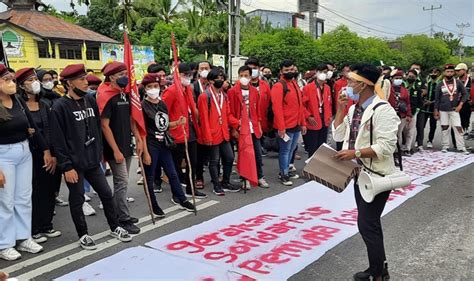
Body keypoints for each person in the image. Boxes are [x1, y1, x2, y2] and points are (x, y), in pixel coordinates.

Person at [50, 64, 132, 250]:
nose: (86, 83)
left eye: (86, 79)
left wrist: (99, 154)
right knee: (77, 199)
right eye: (82, 80)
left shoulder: (90, 100)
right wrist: (67, 167)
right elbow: (58, 140)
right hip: (74, 163)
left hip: (93, 160)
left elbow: (96, 128)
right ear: (69, 83)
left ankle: (115, 227)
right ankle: (83, 234)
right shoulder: (59, 107)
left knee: (106, 194)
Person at [333, 63, 399, 281]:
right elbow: (338, 135)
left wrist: (355, 153)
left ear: (362, 85)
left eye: (350, 81)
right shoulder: (353, 109)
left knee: (366, 224)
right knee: (371, 223)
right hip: (358, 176)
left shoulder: (383, 110)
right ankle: (379, 268)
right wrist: (341, 108)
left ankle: (377, 275)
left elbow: (386, 147)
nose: (347, 85)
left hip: (376, 177)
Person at [0, 64, 50, 261]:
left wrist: (45, 149)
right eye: (6, 79)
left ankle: (23, 237)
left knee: (23, 197)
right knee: (5, 201)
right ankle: (5, 244)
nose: (12, 82)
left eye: (11, 79)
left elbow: (33, 127)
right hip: (3, 155)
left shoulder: (18, 100)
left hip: (23, 152)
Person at [15, 67, 62, 244]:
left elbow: (50, 129)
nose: (35, 83)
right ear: (21, 85)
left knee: (49, 188)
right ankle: (33, 228)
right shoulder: (18, 105)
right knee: (33, 191)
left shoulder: (44, 104)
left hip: (49, 152)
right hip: (30, 154)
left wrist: (52, 152)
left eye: (36, 79)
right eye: (30, 80)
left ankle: (46, 225)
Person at [96, 61, 142, 235]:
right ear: (112, 77)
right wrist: (115, 150)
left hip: (126, 144)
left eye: (126, 73)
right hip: (114, 147)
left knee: (122, 182)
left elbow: (131, 118)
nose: (125, 77)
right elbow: (104, 125)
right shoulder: (105, 95)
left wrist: (137, 137)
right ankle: (122, 219)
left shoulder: (124, 94)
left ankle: (118, 213)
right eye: (121, 74)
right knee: (122, 182)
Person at [141, 73, 196, 217]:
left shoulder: (161, 104)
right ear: (145, 89)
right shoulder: (142, 106)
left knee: (172, 173)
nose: (153, 89)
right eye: (150, 87)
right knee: (150, 177)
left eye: (155, 86)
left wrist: (177, 123)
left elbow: (164, 125)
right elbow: (141, 131)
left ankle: (181, 199)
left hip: (164, 143)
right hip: (151, 144)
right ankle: (153, 205)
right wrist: (145, 151)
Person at [161, 63, 207, 199]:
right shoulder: (171, 91)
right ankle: (176, 194)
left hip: (190, 130)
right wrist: (172, 126)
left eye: (190, 74)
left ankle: (190, 188)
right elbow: (164, 112)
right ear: (177, 75)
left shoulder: (188, 89)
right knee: (175, 166)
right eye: (184, 74)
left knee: (192, 162)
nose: (188, 77)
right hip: (176, 132)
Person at [198, 68, 241, 195]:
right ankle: (216, 185)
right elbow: (204, 118)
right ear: (211, 80)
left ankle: (225, 182)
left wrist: (238, 123)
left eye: (222, 78)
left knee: (229, 158)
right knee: (214, 161)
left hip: (223, 133)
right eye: (218, 78)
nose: (221, 80)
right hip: (212, 133)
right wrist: (207, 136)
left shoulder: (224, 95)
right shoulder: (204, 96)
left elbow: (228, 115)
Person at [228, 65, 269, 188]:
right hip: (241, 127)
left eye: (246, 76)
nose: (243, 78)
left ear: (251, 77)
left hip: (253, 126)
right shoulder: (232, 91)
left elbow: (257, 112)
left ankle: (259, 176)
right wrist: (234, 127)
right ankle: (244, 178)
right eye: (241, 76)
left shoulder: (254, 91)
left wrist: (260, 126)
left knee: (257, 153)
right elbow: (229, 111)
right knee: (243, 154)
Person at [271, 59, 307, 186]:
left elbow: (300, 105)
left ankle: (287, 169)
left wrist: (303, 123)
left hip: (296, 124)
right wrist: (281, 127)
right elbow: (277, 108)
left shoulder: (295, 84)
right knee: (285, 150)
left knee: (291, 149)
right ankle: (283, 173)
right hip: (286, 126)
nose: (290, 72)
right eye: (287, 70)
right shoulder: (279, 86)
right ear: (281, 71)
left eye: (292, 69)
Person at [36, 69, 68, 207]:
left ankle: (54, 196)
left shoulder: (56, 97)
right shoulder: (40, 100)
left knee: (56, 174)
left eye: (51, 79)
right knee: (46, 175)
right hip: (44, 143)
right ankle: (47, 202)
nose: (49, 82)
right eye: (45, 80)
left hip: (58, 141)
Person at [434, 64, 469, 154]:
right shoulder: (440, 84)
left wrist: (460, 105)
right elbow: (437, 99)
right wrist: (436, 110)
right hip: (443, 109)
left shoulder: (458, 82)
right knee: (444, 128)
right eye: (447, 72)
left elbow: (465, 94)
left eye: (451, 72)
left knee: (458, 127)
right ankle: (445, 146)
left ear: (454, 72)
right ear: (444, 72)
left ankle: (461, 147)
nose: (449, 73)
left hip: (454, 109)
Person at [302, 64, 333, 157]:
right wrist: (308, 116)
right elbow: (302, 105)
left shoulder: (327, 88)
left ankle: (318, 168)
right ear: (316, 73)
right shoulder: (308, 87)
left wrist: (330, 115)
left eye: (325, 72)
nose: (323, 74)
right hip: (313, 120)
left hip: (324, 120)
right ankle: (310, 167)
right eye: (321, 72)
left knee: (321, 146)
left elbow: (329, 103)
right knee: (312, 147)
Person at [193, 61, 212, 189]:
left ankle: (216, 176)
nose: (204, 70)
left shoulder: (214, 84)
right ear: (198, 71)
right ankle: (199, 177)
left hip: (213, 123)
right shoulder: (193, 86)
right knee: (199, 153)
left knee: (214, 152)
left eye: (206, 68)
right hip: (199, 124)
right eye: (202, 68)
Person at [388, 70, 412, 156]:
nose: (398, 80)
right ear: (392, 79)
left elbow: (408, 102)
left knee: (398, 134)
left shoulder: (404, 90)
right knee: (391, 134)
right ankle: (390, 152)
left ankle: (397, 152)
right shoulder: (388, 88)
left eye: (400, 78)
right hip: (390, 115)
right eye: (396, 78)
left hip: (401, 115)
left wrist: (409, 114)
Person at [333, 63, 353, 150]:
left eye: (350, 71)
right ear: (342, 72)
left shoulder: (356, 84)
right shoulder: (338, 83)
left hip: (352, 115)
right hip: (343, 114)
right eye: (347, 71)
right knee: (340, 138)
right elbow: (337, 101)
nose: (349, 73)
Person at [404, 69, 422, 153]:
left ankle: (408, 148)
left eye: (413, 77)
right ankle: (400, 148)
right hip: (402, 113)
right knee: (400, 132)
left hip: (413, 113)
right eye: (409, 76)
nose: (411, 78)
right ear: (406, 76)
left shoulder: (417, 90)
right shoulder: (402, 87)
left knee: (410, 132)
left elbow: (419, 103)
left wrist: (414, 114)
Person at [422, 67, 441, 148]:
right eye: (432, 72)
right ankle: (418, 140)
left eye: (435, 72)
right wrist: (424, 100)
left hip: (434, 108)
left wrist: (432, 102)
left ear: (438, 74)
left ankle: (430, 140)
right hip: (424, 107)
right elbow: (422, 93)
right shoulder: (426, 82)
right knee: (421, 125)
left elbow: (440, 97)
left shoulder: (440, 83)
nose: (433, 74)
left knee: (433, 125)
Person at [455, 63, 471, 134]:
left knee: (466, 116)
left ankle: (466, 128)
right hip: (457, 102)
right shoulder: (455, 81)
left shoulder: (471, 80)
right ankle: (459, 129)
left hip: (468, 103)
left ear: (464, 70)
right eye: (456, 71)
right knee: (458, 118)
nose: (457, 72)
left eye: (459, 70)